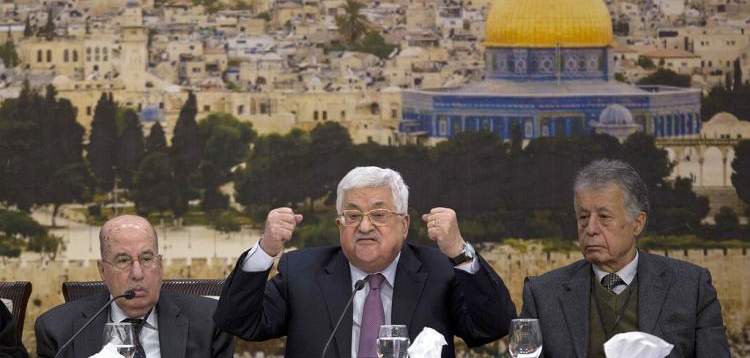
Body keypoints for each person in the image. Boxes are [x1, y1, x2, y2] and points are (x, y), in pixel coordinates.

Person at [214, 166, 516, 358]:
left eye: (379, 214)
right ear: (339, 224)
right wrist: (266, 249)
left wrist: (459, 252)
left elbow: (493, 326)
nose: (365, 226)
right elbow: (239, 321)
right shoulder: (303, 272)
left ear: (405, 224)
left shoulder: (439, 272)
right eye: (353, 215)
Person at [521, 159, 730, 358]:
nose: (591, 229)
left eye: (604, 217)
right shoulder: (542, 295)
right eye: (583, 217)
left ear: (637, 223)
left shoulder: (691, 288)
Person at [35, 215, 234, 358]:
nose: (138, 273)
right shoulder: (57, 330)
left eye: (146, 258)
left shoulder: (209, 321)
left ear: (160, 265)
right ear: (102, 270)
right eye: (123, 260)